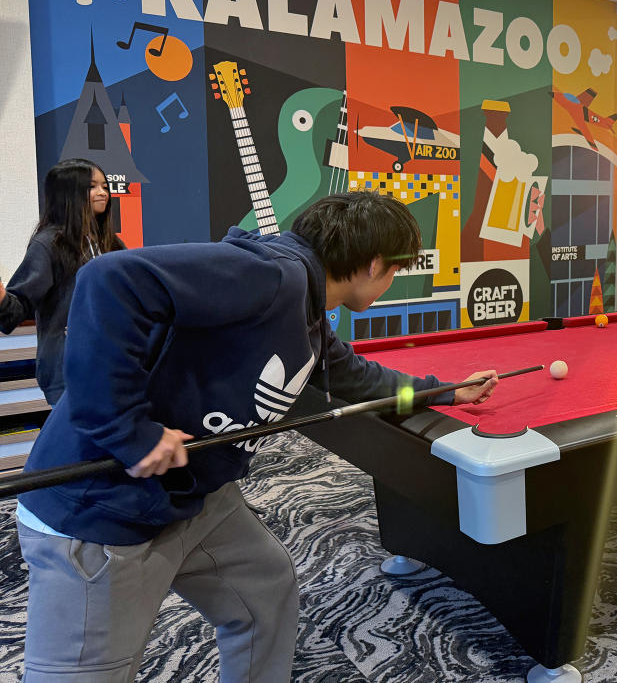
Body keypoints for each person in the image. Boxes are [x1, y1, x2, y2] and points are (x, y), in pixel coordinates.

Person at [14, 191, 499, 682]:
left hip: (196, 497)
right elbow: (108, 278)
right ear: (375, 264)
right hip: (99, 513)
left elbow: (358, 379)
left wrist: (445, 393)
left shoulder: (308, 312)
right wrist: (127, 430)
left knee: (265, 590)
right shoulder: (273, 277)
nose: (392, 280)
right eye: (397, 269)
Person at [0, 158, 125, 404]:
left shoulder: (110, 242)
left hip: (113, 364)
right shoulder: (48, 244)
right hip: (70, 371)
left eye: (104, 186)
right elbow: (14, 312)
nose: (103, 193)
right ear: (68, 193)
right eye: (92, 187)